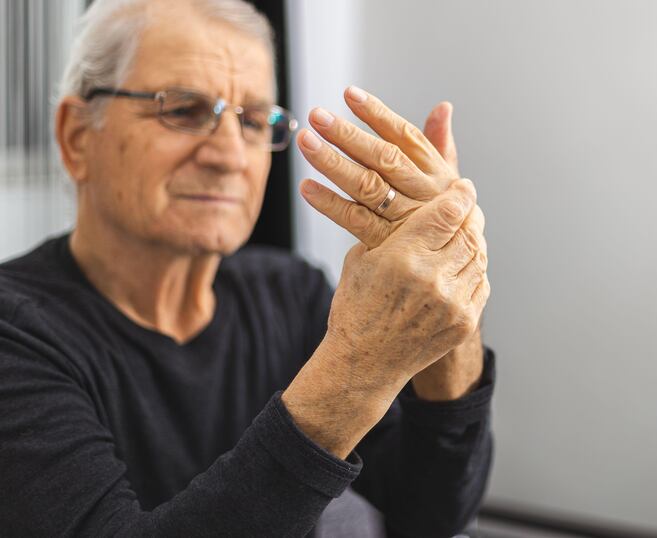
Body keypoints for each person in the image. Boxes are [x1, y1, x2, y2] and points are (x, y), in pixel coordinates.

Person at [0, 0, 494, 536]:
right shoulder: (15, 331)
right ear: (77, 137)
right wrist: (357, 368)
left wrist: (451, 295)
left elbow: (428, 514)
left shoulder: (291, 293)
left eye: (255, 121)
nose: (231, 156)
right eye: (184, 110)